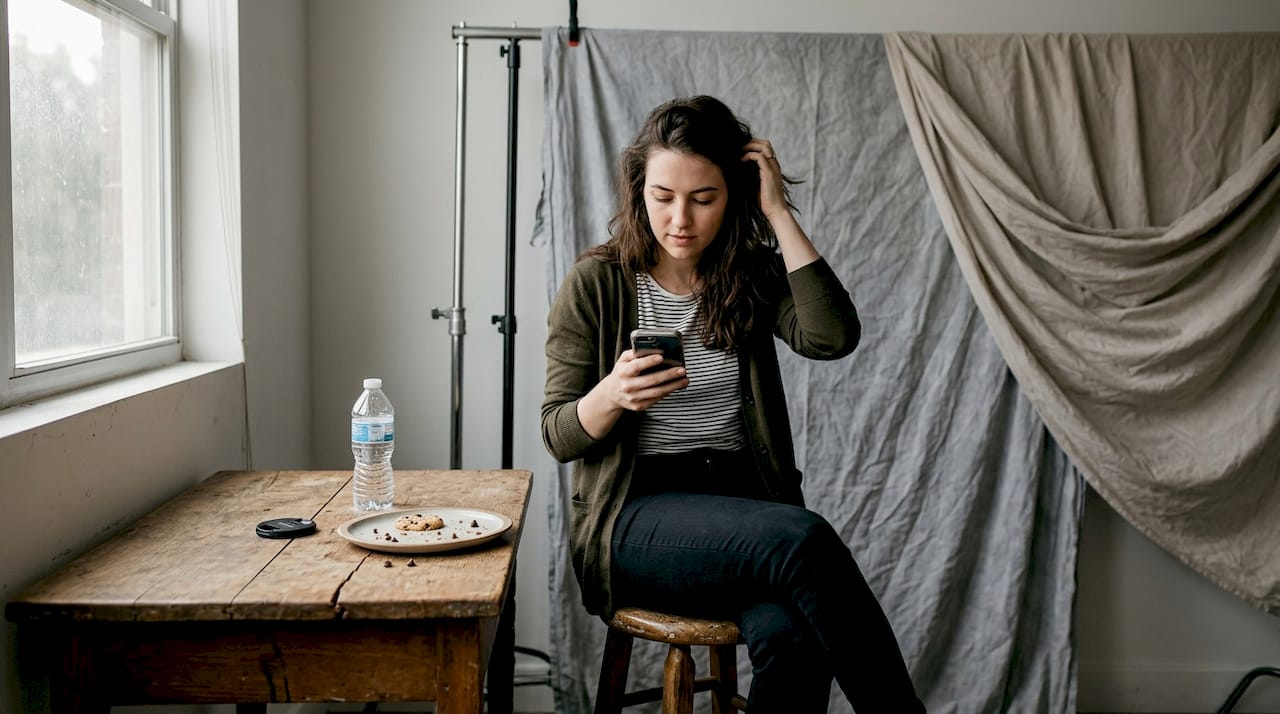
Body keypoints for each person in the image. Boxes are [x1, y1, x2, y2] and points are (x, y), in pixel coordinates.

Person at [541, 95, 926, 713]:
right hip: (637, 517)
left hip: (744, 514)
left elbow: (832, 337)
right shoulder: (598, 284)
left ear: (734, 195)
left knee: (795, 637)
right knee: (804, 538)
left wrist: (775, 210)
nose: (680, 220)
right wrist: (611, 394)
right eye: (663, 196)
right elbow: (558, 433)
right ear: (640, 189)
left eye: (704, 198)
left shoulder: (747, 274)